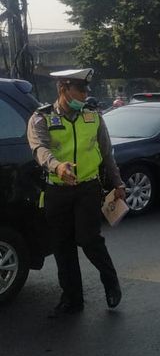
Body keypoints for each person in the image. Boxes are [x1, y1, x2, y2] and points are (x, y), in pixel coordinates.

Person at [27, 68, 125, 317]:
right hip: (57, 190)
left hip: (87, 189)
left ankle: (111, 282)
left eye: (86, 90)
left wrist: (118, 183)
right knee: (62, 246)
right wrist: (57, 166)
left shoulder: (93, 117)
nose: (84, 95)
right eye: (80, 90)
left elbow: (106, 152)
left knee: (89, 240)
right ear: (63, 88)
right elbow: (39, 149)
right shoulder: (42, 118)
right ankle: (72, 298)